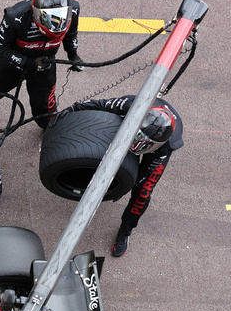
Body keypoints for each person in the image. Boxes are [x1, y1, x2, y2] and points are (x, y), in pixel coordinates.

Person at [63, 96, 183, 257]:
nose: (137, 147)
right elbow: (101, 104)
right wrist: (71, 110)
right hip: (140, 120)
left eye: (144, 144)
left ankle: (125, 230)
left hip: (157, 151)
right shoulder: (133, 105)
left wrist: (123, 187)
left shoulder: (166, 148)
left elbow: (141, 176)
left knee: (143, 193)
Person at [0, 0, 82, 128]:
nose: (58, 26)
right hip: (13, 64)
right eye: (52, 21)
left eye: (61, 21)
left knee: (45, 105)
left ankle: (49, 127)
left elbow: (71, 34)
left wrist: (73, 55)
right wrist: (29, 62)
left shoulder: (73, 10)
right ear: (37, 15)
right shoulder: (15, 17)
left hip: (45, 64)